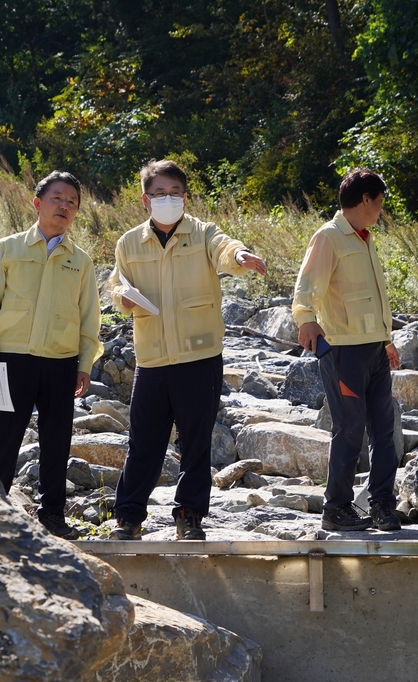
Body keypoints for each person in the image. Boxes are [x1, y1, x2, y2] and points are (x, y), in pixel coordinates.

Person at [106, 160, 266, 541]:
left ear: (185, 197)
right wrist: (121, 298)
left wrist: (240, 256)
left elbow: (225, 248)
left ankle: (190, 516)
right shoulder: (129, 242)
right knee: (143, 443)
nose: (167, 199)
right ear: (146, 200)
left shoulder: (203, 233)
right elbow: (116, 283)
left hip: (199, 357)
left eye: (174, 193)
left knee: (196, 443)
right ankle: (127, 518)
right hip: (152, 358)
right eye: (159, 193)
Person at [0, 171, 103, 539]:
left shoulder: (80, 261)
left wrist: (84, 364)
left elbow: (89, 318)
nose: (64, 206)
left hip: (61, 363)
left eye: (72, 202)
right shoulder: (8, 248)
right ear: (37, 203)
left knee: (57, 440)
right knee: (5, 436)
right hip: (12, 360)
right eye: (56, 198)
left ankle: (53, 516)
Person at [292, 168, 401, 532]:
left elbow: (373, 297)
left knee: (385, 429)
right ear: (366, 199)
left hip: (373, 351)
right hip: (342, 353)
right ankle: (336, 508)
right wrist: (306, 319)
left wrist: (385, 340)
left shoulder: (365, 238)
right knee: (350, 428)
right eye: (380, 203)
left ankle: (383, 505)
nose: (381, 210)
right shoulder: (328, 237)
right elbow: (307, 287)